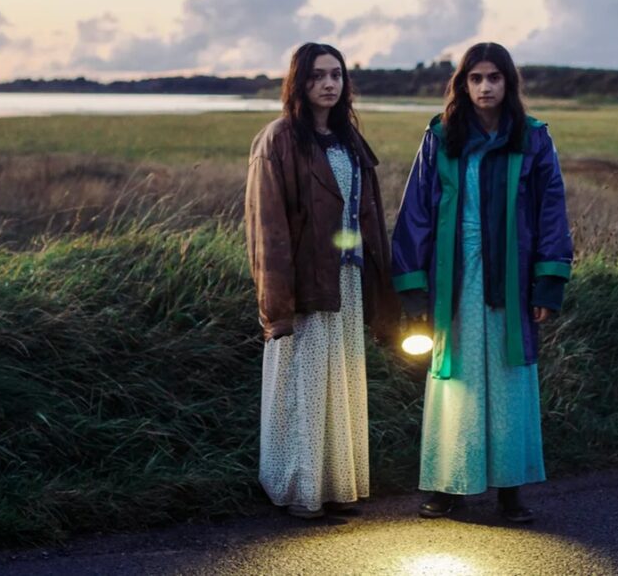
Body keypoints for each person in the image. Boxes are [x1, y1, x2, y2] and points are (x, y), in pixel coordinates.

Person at [391, 42, 573, 522]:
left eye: (495, 78)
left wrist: (547, 283)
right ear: (463, 83)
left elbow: (551, 211)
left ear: (508, 83)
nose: (486, 87)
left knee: (510, 376)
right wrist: (414, 289)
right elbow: (416, 213)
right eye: (476, 78)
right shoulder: (440, 135)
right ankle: (449, 484)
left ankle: (510, 489)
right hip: (454, 273)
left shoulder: (532, 138)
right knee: (457, 378)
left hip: (511, 274)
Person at [245, 42, 398, 519]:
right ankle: (297, 491)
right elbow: (267, 228)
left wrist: (383, 290)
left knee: (341, 383)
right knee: (302, 387)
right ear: (299, 83)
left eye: (335, 74)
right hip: (305, 284)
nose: (328, 84)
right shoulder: (279, 140)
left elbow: (368, 217)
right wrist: (277, 304)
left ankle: (334, 487)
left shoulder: (351, 140)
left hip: (348, 282)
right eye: (316, 76)